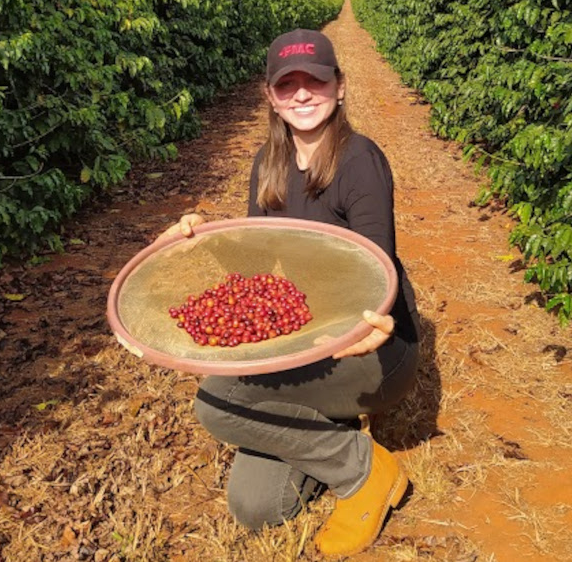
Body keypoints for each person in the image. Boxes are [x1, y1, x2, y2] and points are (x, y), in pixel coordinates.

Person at [160, 28, 420, 557]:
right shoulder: (269, 164)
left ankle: (367, 472)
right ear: (271, 96)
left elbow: (376, 270)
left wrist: (373, 325)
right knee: (258, 506)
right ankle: (331, 422)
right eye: (288, 85)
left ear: (340, 87)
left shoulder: (358, 162)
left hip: (369, 345)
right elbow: (259, 263)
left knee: (216, 402)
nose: (302, 94)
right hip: (305, 336)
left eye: (316, 81)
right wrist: (202, 238)